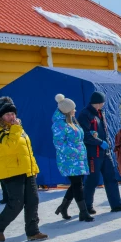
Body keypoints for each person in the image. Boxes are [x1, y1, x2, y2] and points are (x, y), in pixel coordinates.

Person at [0, 97, 48, 242]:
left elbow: (26, 149)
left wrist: (33, 167)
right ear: (1, 116)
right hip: (11, 172)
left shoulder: (18, 128)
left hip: (27, 169)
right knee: (16, 203)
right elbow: (9, 146)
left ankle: (33, 231)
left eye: (13, 113)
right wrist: (16, 128)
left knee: (33, 200)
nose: (12, 117)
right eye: (8, 114)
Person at [78, 91, 121, 215]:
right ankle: (87, 206)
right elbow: (83, 134)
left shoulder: (101, 113)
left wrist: (108, 143)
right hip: (93, 153)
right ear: (99, 102)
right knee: (92, 180)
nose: (104, 104)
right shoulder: (85, 114)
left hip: (104, 152)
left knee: (111, 178)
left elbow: (104, 130)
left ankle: (116, 204)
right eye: (103, 102)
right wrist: (99, 142)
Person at [52, 94, 92, 222]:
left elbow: (77, 137)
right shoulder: (59, 125)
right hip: (69, 160)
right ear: (67, 110)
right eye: (73, 109)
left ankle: (63, 207)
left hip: (77, 159)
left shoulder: (70, 121)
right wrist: (75, 152)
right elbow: (59, 144)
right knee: (78, 184)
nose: (75, 110)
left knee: (76, 184)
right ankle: (83, 212)